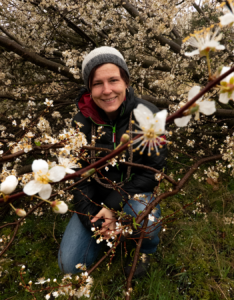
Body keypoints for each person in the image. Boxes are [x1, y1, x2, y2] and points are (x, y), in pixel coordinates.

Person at [58, 46, 167, 277]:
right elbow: (76, 175)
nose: (107, 90)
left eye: (113, 80)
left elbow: (152, 171)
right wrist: (93, 219)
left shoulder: (148, 115)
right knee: (70, 266)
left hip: (133, 195)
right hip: (94, 199)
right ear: (89, 88)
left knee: (147, 220)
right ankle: (106, 234)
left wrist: (113, 206)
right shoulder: (80, 123)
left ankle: (145, 248)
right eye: (97, 83)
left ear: (126, 82)